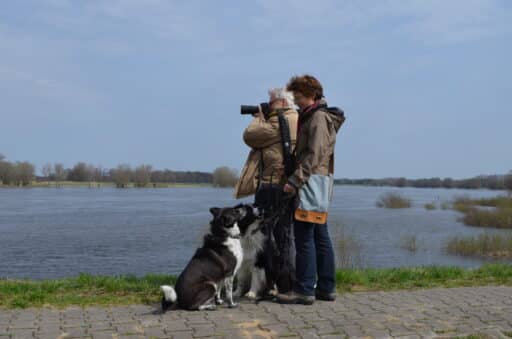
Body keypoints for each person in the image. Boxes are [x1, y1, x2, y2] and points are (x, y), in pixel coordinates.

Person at [276, 75, 346, 305]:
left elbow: (314, 155)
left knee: (305, 237)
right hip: (318, 181)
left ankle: (304, 290)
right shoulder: (318, 116)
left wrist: (295, 180)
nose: (296, 101)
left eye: (298, 97)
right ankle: (326, 288)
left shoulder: (317, 118)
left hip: (310, 183)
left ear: (311, 95)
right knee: (319, 235)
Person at [234, 87, 298, 295]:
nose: (268, 105)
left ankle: (282, 285)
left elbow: (250, 136)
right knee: (283, 234)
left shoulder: (281, 120)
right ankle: (277, 282)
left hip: (272, 185)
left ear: (284, 102)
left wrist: (258, 118)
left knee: (275, 236)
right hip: (281, 184)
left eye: (272, 102)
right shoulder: (292, 118)